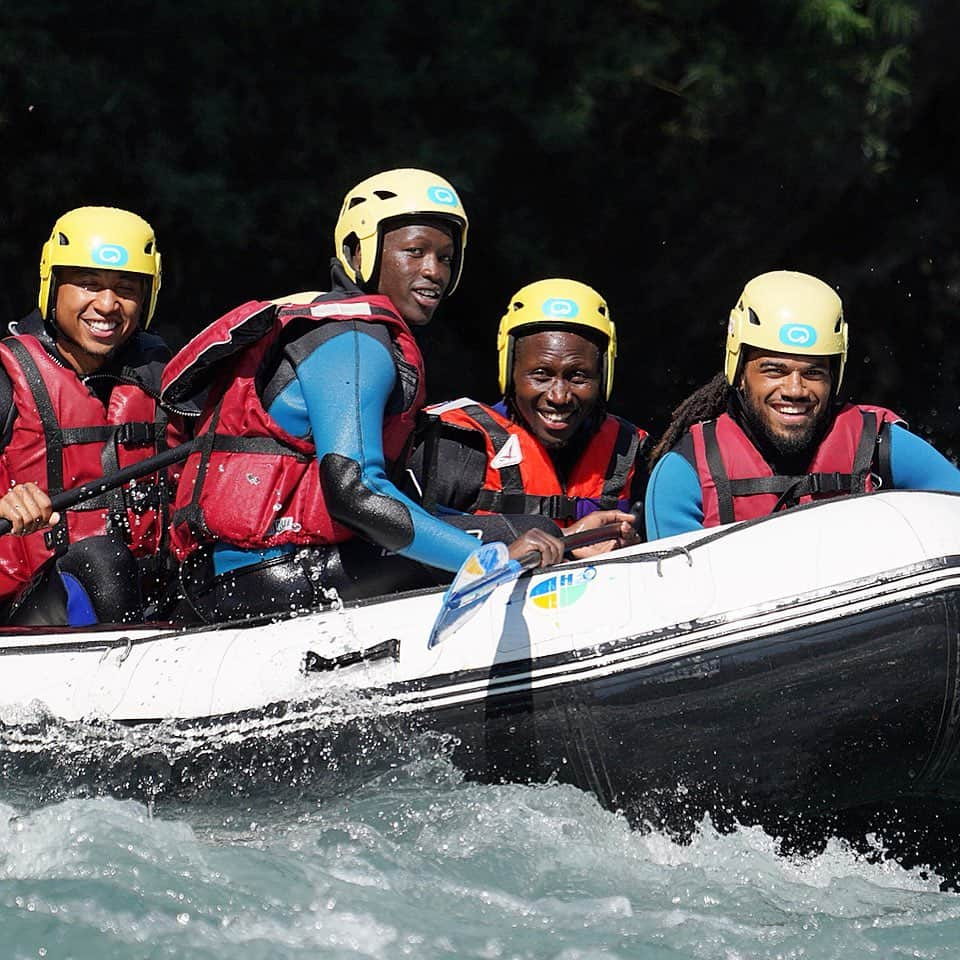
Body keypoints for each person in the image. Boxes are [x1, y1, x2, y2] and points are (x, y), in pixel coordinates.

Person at [160, 168, 579, 624]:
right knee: (522, 534)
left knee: (523, 531)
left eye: (445, 257)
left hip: (244, 572)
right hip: (266, 578)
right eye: (414, 252)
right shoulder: (355, 340)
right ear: (360, 250)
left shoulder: (347, 331)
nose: (433, 272)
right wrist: (487, 558)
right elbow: (355, 493)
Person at [645, 269, 960, 539]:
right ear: (739, 373)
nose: (795, 389)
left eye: (813, 373)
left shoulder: (880, 447)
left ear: (833, 378)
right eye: (774, 370)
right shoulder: (683, 474)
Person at [0, 206, 194, 625]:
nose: (107, 305)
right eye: (88, 285)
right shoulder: (6, 381)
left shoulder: (171, 382)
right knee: (102, 559)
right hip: (30, 615)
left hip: (154, 599)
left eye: (125, 289)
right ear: (53, 287)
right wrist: (5, 504)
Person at [407, 278, 645, 554]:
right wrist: (560, 537)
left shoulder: (634, 453)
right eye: (541, 375)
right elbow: (398, 540)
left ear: (604, 378)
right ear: (510, 372)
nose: (559, 396)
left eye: (578, 376)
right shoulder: (457, 442)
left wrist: (635, 547)